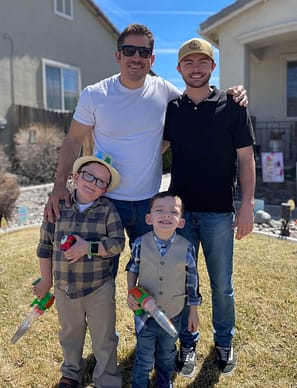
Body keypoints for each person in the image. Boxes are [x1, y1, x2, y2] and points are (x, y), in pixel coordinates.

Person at [44, 23, 248, 279]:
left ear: (152, 59)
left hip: (149, 203)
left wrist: (233, 93)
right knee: (98, 273)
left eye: (143, 52)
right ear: (118, 55)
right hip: (106, 201)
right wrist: (59, 184)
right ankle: (100, 319)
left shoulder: (163, 91)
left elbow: (198, 100)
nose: (136, 58)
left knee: (150, 275)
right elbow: (73, 140)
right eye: (129, 50)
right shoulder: (95, 95)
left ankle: (147, 321)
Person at [163, 37, 256, 377]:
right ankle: (187, 343)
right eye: (189, 62)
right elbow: (151, 151)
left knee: (222, 284)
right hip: (181, 215)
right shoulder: (172, 109)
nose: (196, 68)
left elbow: (246, 159)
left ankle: (224, 341)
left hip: (219, 212)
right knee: (184, 284)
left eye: (203, 62)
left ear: (212, 66)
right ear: (179, 69)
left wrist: (246, 205)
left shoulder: (233, 105)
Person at [33, 154, 125, 388]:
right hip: (65, 289)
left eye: (100, 182)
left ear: (105, 189)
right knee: (70, 335)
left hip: (99, 289)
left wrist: (88, 247)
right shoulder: (57, 206)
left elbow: (117, 244)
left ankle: (106, 379)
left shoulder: (107, 210)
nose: (93, 183)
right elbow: (45, 245)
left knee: (104, 337)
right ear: (74, 177)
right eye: (88, 176)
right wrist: (46, 280)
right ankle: (71, 373)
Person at [126, 191, 202, 387]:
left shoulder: (186, 248)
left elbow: (192, 282)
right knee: (144, 357)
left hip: (173, 313)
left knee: (167, 355)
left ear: (181, 222)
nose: (166, 215)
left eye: (173, 212)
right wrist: (130, 292)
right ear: (149, 218)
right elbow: (133, 268)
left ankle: (163, 382)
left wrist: (193, 312)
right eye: (159, 210)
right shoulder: (140, 243)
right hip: (144, 314)